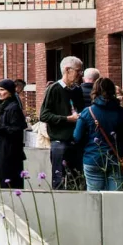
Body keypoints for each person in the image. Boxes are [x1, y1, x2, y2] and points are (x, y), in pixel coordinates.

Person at [74, 78, 123, 192]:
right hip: (117, 159)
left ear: (95, 91)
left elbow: (77, 137)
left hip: (93, 158)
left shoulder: (87, 112)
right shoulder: (122, 112)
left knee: (94, 199)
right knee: (115, 198)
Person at [39, 56, 85, 189]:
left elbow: (81, 109)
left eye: (81, 71)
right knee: (59, 180)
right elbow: (44, 115)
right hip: (60, 142)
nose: (80, 74)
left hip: (76, 141)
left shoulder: (77, 90)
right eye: (78, 71)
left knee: (76, 179)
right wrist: (67, 119)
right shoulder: (54, 89)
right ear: (67, 70)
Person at [0, 79, 28, 190]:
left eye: (2, 90)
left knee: (9, 181)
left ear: (9, 91)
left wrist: (0, 127)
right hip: (3, 148)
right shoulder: (4, 106)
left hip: (10, 151)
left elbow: (17, 129)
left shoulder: (13, 107)